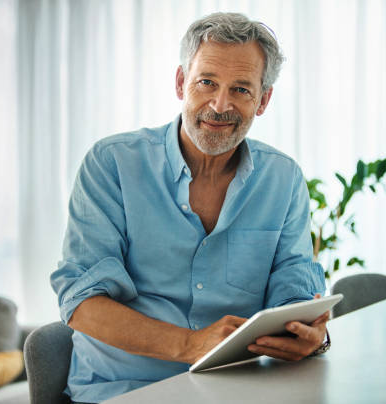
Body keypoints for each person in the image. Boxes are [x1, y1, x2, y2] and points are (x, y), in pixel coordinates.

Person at [51, 12, 328, 404]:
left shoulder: (283, 179)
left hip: (237, 388)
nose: (220, 105)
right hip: (123, 389)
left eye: (241, 90)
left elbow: (293, 287)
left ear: (263, 100)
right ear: (181, 83)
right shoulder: (112, 163)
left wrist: (309, 335)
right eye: (207, 82)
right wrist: (190, 344)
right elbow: (81, 303)